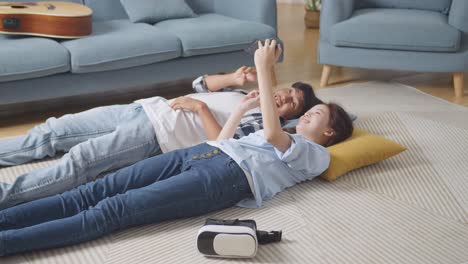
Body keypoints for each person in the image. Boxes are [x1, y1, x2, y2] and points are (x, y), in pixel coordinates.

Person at [0, 39, 354, 256]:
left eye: (314, 113)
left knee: (111, 210)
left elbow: (277, 137)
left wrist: (265, 70)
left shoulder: (315, 155)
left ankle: (9, 243)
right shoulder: (271, 123)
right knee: (95, 189)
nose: (305, 118)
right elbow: (222, 141)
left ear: (330, 133)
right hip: (205, 152)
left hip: (226, 179)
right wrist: (244, 106)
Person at [0, 55, 322, 210]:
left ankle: (6, 197)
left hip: (158, 134)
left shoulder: (259, 127)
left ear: (292, 116)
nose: (285, 97)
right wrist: (233, 80)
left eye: (293, 102)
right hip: (144, 107)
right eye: (288, 91)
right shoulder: (244, 97)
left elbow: (221, 148)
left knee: (79, 162)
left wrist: (201, 109)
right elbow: (198, 85)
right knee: (52, 131)